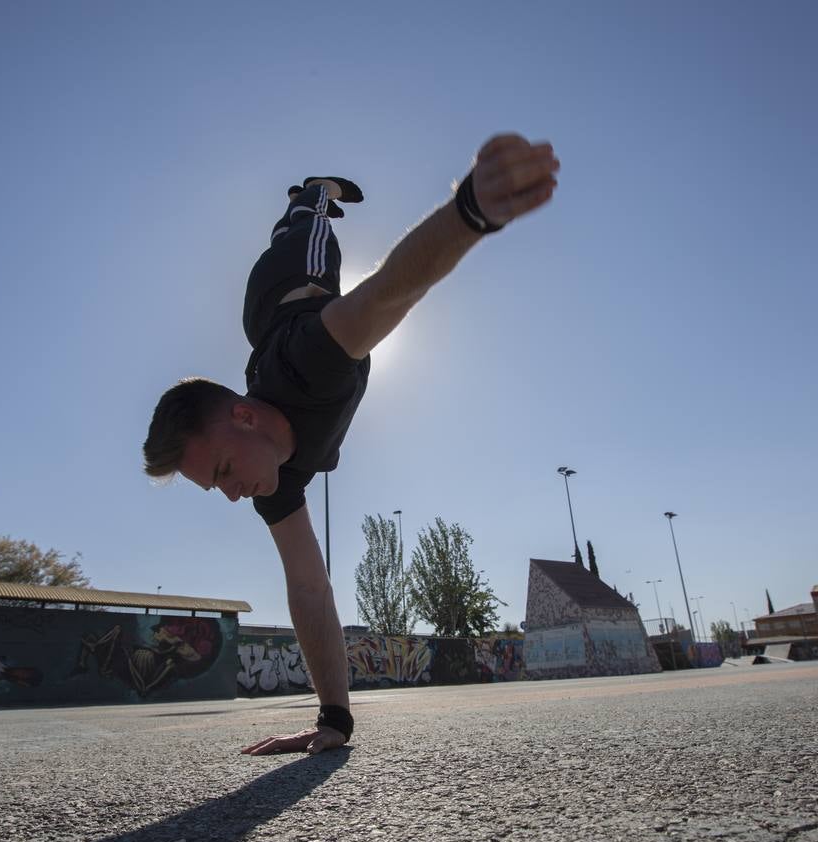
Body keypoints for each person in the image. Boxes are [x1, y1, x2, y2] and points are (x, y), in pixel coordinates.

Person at [143, 133, 559, 754]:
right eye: (217, 486)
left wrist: (471, 211)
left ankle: (310, 194)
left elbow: (391, 287)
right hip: (266, 336)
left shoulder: (314, 357)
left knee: (304, 234)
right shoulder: (271, 485)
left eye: (224, 469)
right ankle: (302, 201)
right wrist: (332, 721)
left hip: (281, 288)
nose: (233, 495)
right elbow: (309, 586)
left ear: (245, 417)